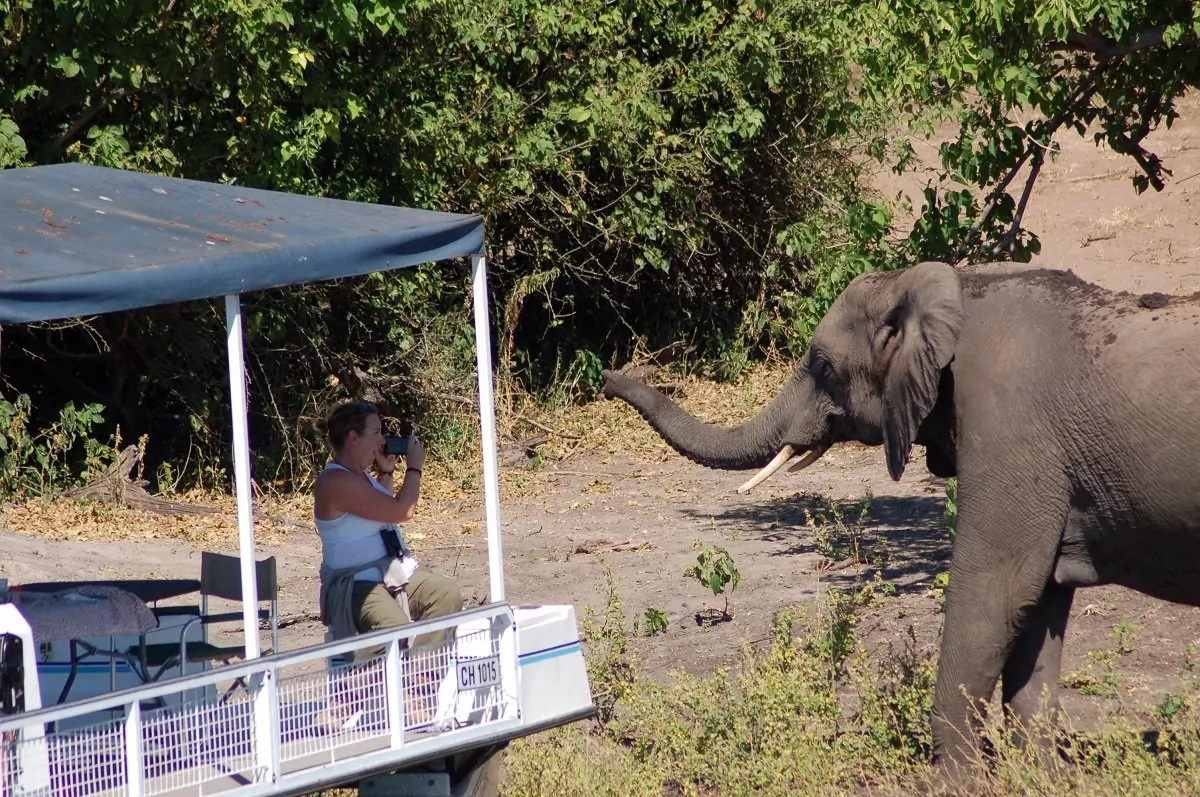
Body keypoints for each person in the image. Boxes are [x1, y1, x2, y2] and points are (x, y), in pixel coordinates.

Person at [314, 401, 463, 657]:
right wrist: (414, 468)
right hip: (357, 584)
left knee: (445, 594)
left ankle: (422, 674)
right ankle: (363, 676)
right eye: (376, 432)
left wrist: (386, 472)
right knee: (393, 627)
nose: (382, 440)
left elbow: (377, 513)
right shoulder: (335, 481)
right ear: (354, 438)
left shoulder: (361, 476)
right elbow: (402, 511)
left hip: (392, 572)